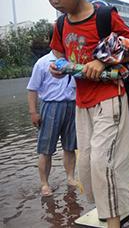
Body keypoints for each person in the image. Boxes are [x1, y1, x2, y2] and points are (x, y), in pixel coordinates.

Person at [34, 0, 129, 227]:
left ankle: (113, 222)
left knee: (102, 164)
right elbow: (60, 57)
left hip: (109, 98)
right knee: (86, 170)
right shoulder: (60, 25)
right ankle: (115, 209)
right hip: (81, 104)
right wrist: (59, 69)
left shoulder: (104, 17)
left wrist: (100, 60)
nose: (54, 0)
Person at [27, 29, 77, 197]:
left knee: (70, 147)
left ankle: (70, 178)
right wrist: (33, 112)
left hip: (72, 105)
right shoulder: (43, 63)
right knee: (46, 150)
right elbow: (32, 89)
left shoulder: (73, 60)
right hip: (50, 107)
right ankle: (44, 184)